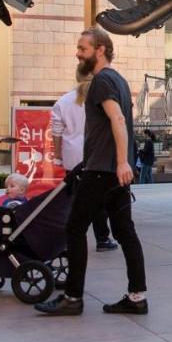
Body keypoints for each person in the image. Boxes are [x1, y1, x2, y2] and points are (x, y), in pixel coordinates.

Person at [37, 28, 147, 316]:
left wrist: (122, 162)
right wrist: (123, 164)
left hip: (103, 171)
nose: (78, 53)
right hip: (112, 172)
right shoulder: (119, 80)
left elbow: (118, 120)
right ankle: (137, 298)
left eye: (82, 48)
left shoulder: (101, 81)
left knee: (74, 228)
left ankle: (72, 298)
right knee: (125, 233)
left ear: (100, 50)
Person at [51, 73, 118, 251]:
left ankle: (67, 238)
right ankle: (102, 238)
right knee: (98, 200)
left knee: (73, 199)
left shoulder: (63, 101)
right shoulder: (103, 99)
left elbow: (56, 132)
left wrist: (58, 155)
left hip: (72, 157)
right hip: (96, 155)